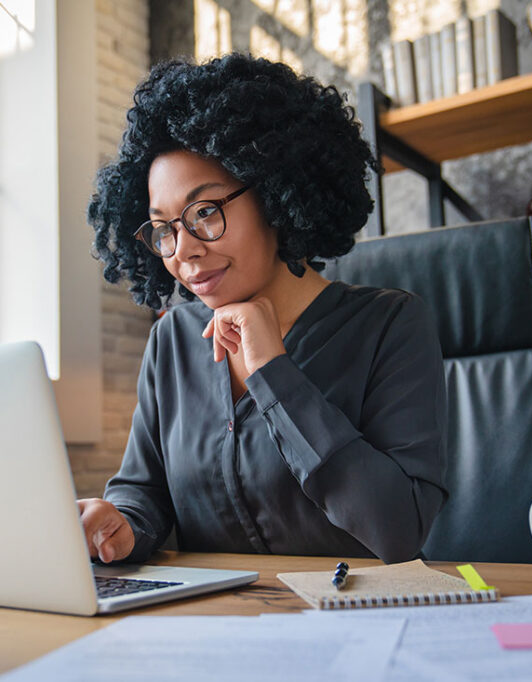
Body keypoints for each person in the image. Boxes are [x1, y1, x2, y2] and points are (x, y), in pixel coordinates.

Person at [78, 53, 447, 565]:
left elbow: (399, 531)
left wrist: (274, 373)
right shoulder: (173, 341)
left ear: (275, 195)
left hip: (356, 622)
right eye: (164, 228)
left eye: (205, 212)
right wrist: (119, 527)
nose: (183, 251)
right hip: (216, 628)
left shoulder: (390, 326)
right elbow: (145, 493)